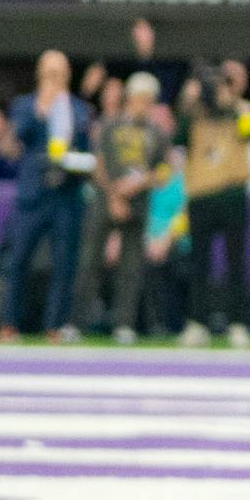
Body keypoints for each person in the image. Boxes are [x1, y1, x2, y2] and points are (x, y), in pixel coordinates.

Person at [0, 51, 96, 343]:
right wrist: (43, 107)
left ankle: (55, 324)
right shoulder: (25, 105)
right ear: (40, 73)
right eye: (50, 70)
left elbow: (85, 146)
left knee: (65, 263)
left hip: (66, 194)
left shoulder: (79, 109)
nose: (56, 76)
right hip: (34, 194)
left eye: (61, 70)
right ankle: (8, 323)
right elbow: (20, 137)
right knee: (19, 260)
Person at [178, 64, 250, 347]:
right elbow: (179, 137)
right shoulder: (195, 115)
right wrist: (191, 100)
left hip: (233, 193)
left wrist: (231, 101)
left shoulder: (242, 110)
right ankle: (197, 322)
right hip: (201, 194)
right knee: (199, 263)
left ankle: (237, 322)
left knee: (236, 263)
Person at [88, 72, 169, 344]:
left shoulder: (157, 132)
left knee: (131, 267)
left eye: (150, 100)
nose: (144, 105)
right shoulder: (110, 126)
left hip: (139, 202)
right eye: (140, 99)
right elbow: (97, 165)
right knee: (90, 261)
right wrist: (114, 195)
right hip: (106, 200)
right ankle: (77, 321)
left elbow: (164, 169)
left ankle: (124, 323)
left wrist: (142, 181)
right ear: (130, 98)